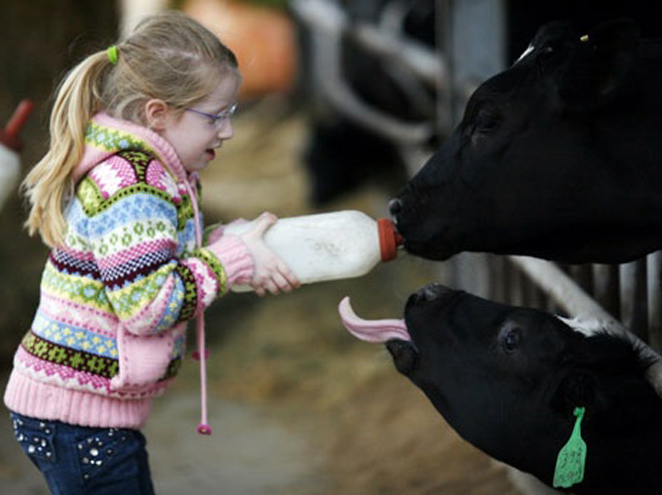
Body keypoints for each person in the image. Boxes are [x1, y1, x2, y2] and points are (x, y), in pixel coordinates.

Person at [4, 10, 300, 494]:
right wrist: (227, 261)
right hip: (76, 421)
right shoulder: (134, 185)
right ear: (157, 113)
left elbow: (151, 263)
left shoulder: (152, 172)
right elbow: (147, 304)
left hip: (87, 414)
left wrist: (227, 246)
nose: (227, 131)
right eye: (216, 116)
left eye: (231, 112)